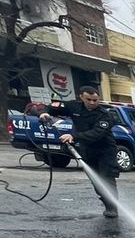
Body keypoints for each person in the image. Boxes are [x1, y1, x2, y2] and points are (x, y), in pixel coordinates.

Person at [30, 86, 120, 217]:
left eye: (95, 100)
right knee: (96, 181)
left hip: (105, 151)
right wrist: (43, 112)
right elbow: (50, 107)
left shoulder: (105, 115)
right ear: (81, 97)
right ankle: (107, 203)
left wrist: (74, 137)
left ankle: (113, 208)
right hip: (87, 150)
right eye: (88, 99)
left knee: (107, 178)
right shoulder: (74, 107)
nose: (92, 103)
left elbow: (97, 133)